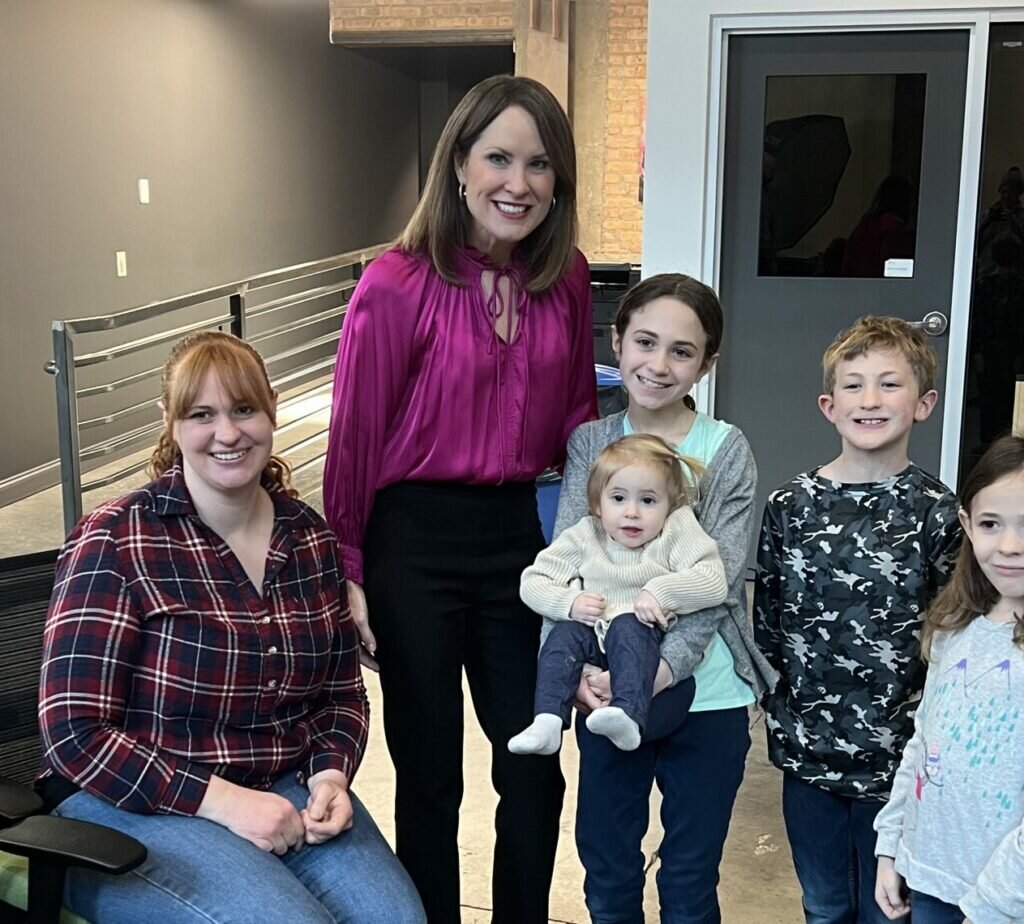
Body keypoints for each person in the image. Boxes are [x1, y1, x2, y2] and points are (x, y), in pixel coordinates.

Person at [322, 74, 596, 924]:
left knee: (533, 766)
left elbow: (582, 425)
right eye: (500, 158)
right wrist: (350, 570)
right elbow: (355, 439)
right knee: (431, 775)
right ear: (459, 167)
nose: (519, 183)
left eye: (540, 164)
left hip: (520, 541)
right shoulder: (397, 283)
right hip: (413, 544)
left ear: (559, 184)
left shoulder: (569, 279)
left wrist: (599, 559)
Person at [36, 331, 425, 924]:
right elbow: (74, 731)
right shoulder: (118, 538)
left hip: (284, 784)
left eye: (244, 409)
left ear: (269, 407)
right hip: (135, 802)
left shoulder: (307, 536)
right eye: (202, 414)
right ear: (169, 421)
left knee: (396, 918)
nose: (228, 433)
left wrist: (330, 772)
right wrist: (225, 803)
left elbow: (339, 694)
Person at [551, 273, 778, 923]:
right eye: (645, 342)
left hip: (705, 694)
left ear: (707, 363)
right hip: (603, 688)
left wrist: (657, 670)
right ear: (616, 342)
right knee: (608, 861)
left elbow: (720, 581)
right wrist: (576, 675)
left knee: (687, 875)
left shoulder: (725, 451)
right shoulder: (591, 443)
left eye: (682, 351)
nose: (658, 363)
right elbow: (563, 570)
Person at [754, 316, 961, 924]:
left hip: (899, 760)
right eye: (854, 386)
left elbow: (951, 630)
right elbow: (768, 617)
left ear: (923, 404)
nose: (870, 400)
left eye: (889, 385)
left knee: (888, 910)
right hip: (807, 751)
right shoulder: (788, 505)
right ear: (828, 404)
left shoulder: (936, 511)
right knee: (822, 905)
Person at [873, 436, 1024, 924]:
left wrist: (991, 906)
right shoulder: (955, 627)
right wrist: (892, 844)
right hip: (932, 877)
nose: (1009, 546)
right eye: (990, 524)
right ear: (966, 524)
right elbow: (923, 743)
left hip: (1002, 900)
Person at [509, 434, 727, 756]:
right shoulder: (586, 533)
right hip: (592, 635)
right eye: (619, 498)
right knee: (562, 639)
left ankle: (627, 715)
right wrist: (568, 604)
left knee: (628, 624)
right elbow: (533, 581)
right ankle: (548, 721)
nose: (632, 513)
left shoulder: (677, 528)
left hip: (644, 636)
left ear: (671, 504)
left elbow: (713, 580)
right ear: (598, 503)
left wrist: (659, 592)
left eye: (648, 501)